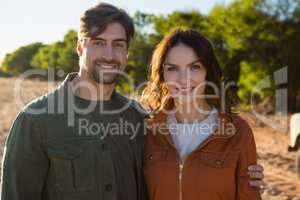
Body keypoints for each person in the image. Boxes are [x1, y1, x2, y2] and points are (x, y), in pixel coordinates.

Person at [1, 3, 263, 200]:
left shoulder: (140, 119)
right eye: (98, 42)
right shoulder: (36, 121)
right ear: (80, 48)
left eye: (118, 44)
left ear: (126, 52)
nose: (108, 54)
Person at [142, 28, 262, 200]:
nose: (183, 79)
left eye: (194, 67)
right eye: (173, 68)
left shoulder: (237, 131)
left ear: (208, 72)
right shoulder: (148, 131)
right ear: (162, 75)